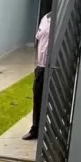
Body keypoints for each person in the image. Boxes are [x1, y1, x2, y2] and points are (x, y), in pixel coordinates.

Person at [24, 11, 52, 141]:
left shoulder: (64, 18)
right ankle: (35, 129)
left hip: (56, 68)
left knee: (54, 102)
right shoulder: (45, 18)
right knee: (38, 99)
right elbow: (38, 38)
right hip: (41, 67)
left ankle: (52, 132)